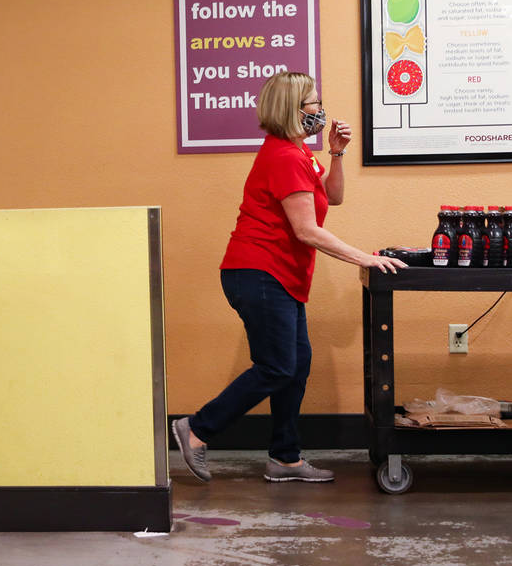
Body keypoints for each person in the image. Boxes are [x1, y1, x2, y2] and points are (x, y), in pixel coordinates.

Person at [172, 71, 407, 484]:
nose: (320, 109)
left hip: (277, 273)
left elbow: (332, 197)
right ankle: (196, 429)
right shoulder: (282, 157)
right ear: (293, 109)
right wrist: (363, 259)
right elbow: (306, 230)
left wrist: (336, 154)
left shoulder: (298, 153)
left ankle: (285, 458)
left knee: (296, 365)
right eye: (314, 103)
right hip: (258, 271)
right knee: (278, 366)